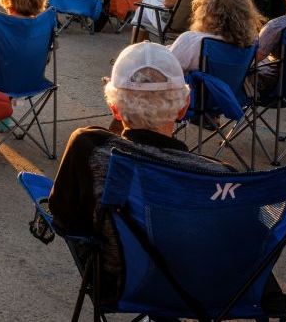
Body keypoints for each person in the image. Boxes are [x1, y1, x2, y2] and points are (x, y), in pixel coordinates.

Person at [48, 41, 227, 300]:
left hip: (120, 285)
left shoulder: (90, 148)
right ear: (184, 106)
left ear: (115, 109)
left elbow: (64, 217)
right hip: (204, 293)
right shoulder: (219, 177)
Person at [167, 0, 261, 72]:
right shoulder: (251, 43)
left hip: (194, 88)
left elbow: (164, 69)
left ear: (207, 11)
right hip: (231, 88)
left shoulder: (191, 40)